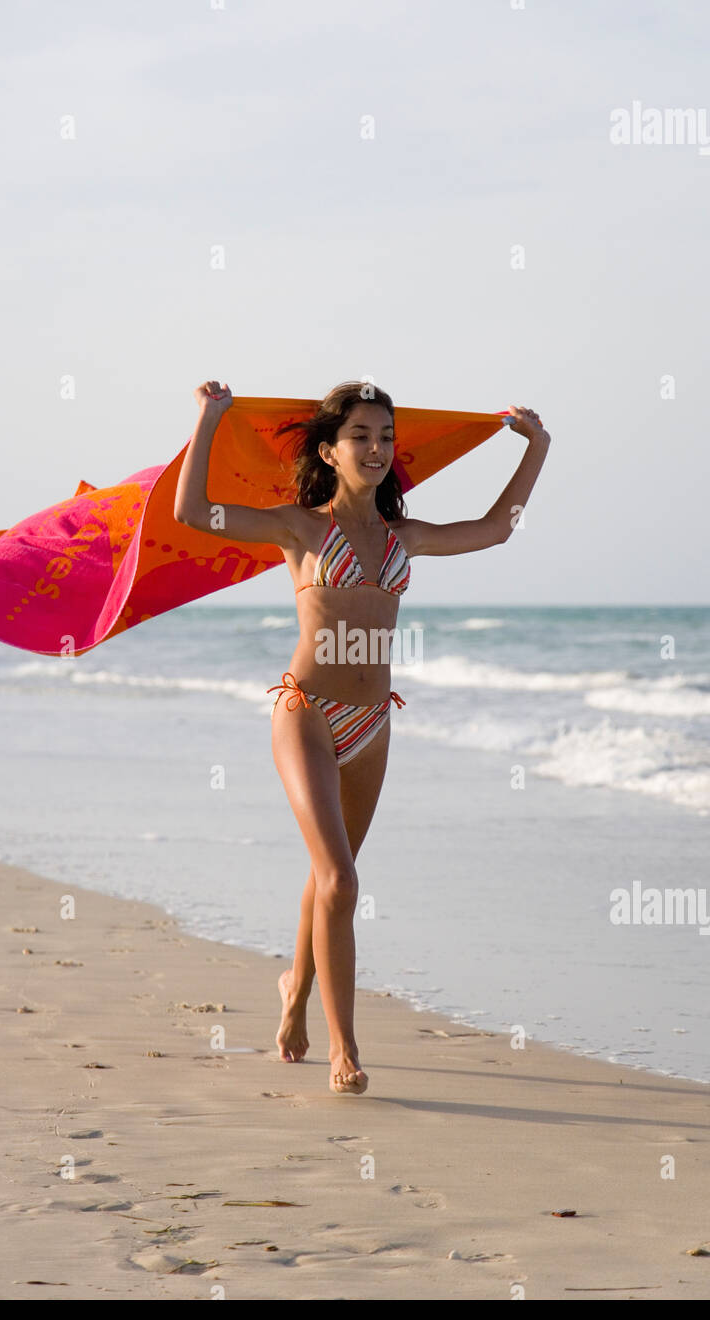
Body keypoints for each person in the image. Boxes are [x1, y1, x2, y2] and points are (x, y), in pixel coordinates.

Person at [174, 380, 551, 1094]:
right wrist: (209, 419)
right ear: (329, 449)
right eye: (360, 436)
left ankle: (292, 990)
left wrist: (538, 449)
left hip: (372, 724)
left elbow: (498, 527)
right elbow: (192, 512)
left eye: (385, 437)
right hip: (306, 711)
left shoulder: (402, 538)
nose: (376, 448)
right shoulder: (300, 529)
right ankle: (343, 1049)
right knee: (342, 879)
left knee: (329, 875)